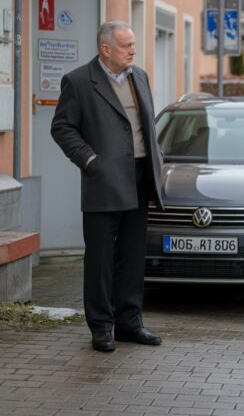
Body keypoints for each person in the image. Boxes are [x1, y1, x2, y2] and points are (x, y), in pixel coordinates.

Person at [51, 20, 164, 352]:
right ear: (106, 50)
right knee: (100, 259)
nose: (133, 50)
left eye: (133, 44)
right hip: (103, 181)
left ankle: (130, 323)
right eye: (126, 45)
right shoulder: (79, 82)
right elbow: (62, 128)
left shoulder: (139, 77)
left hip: (140, 178)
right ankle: (101, 326)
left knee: (132, 255)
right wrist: (89, 160)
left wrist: (157, 155)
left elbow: (146, 125)